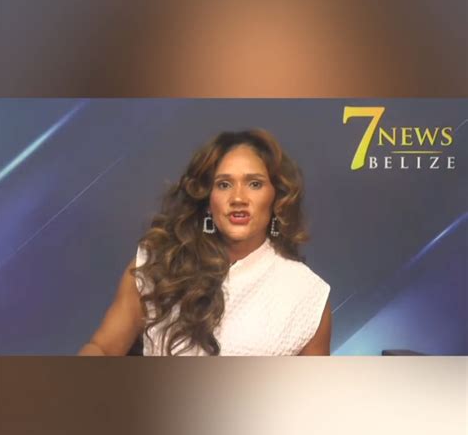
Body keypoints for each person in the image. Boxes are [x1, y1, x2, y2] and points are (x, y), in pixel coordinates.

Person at [78, 129, 331, 356]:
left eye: (254, 184)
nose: (238, 198)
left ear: (277, 197)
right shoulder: (157, 264)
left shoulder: (307, 295)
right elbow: (103, 348)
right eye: (224, 184)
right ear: (208, 200)